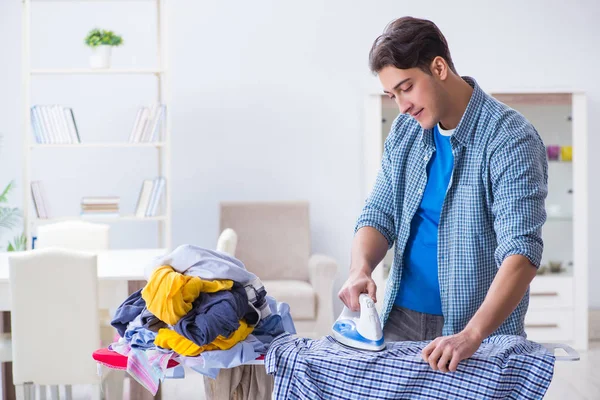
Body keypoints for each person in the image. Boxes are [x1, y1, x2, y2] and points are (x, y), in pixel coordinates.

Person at [338, 16, 547, 373]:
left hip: (477, 331)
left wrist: (471, 335)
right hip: (401, 320)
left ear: (438, 67)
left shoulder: (510, 139)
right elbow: (378, 213)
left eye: (406, 88)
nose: (401, 106)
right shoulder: (406, 131)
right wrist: (361, 268)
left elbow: (522, 253)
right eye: (392, 95)